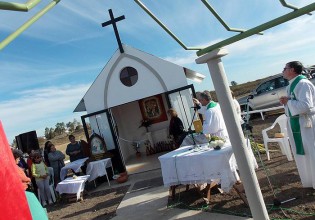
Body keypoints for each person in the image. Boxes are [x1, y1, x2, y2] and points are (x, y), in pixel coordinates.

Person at [279, 61, 315, 189]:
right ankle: (309, 181)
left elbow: (306, 106)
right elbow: (294, 103)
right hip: (296, 122)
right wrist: (287, 102)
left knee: (311, 151)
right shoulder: (291, 85)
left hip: (305, 123)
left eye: (285, 68)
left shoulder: (303, 84)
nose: (283, 70)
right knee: (303, 152)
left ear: (292, 70)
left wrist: (288, 101)